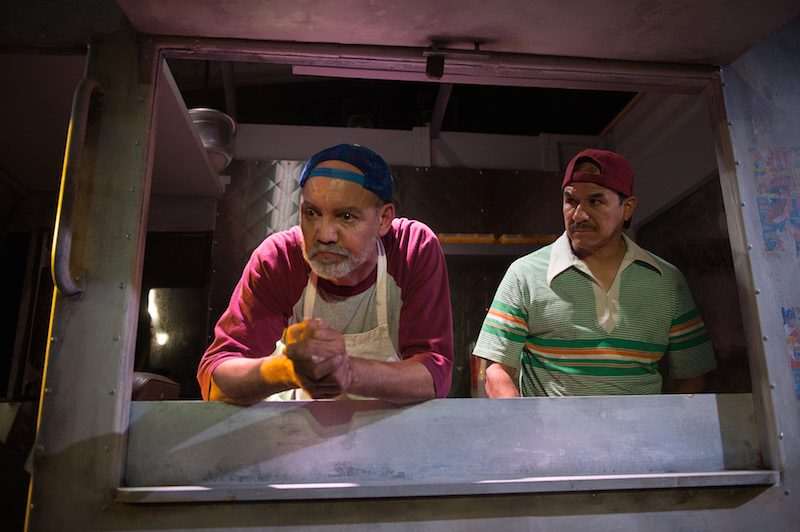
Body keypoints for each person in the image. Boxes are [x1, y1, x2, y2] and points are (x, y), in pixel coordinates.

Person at [198, 144, 454, 404]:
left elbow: (434, 376)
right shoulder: (280, 258)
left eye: (345, 216)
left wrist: (348, 372)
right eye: (312, 213)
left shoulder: (412, 249)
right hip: (296, 435)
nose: (324, 235)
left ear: (384, 220)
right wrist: (285, 370)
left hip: (388, 435)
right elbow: (216, 382)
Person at [473, 148, 717, 397]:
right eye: (571, 201)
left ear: (628, 208)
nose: (579, 215)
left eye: (595, 201)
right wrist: (528, 431)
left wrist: (663, 431)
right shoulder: (524, 274)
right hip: (551, 435)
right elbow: (496, 371)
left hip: (641, 435)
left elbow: (694, 376)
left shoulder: (668, 281)